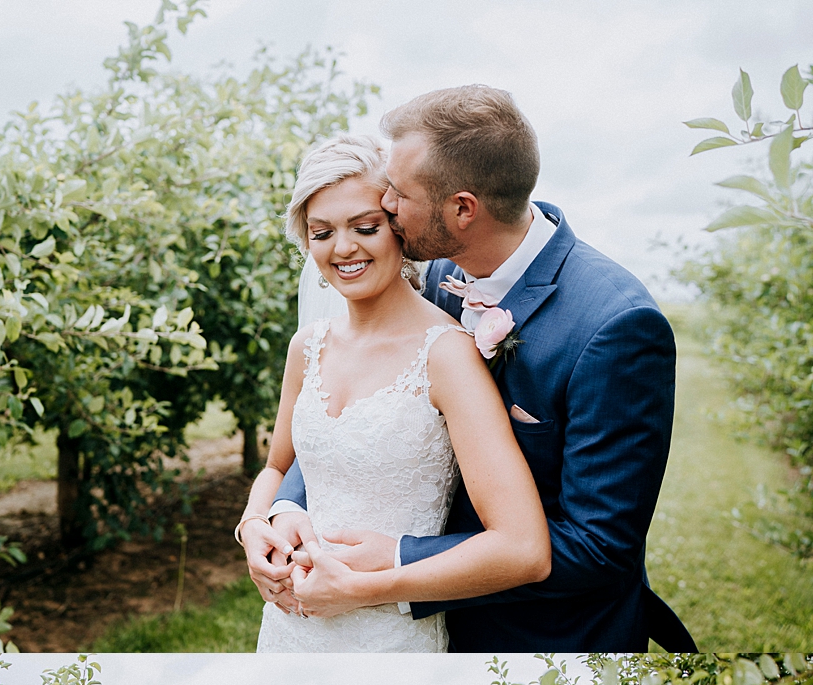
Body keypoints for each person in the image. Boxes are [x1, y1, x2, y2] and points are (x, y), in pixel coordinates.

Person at [242, 86, 696, 654]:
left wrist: (395, 566)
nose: (386, 207)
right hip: (379, 618)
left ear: (462, 209)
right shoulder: (432, 277)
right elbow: (353, 423)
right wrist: (278, 511)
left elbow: (599, 548)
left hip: (538, 638)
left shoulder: (615, 326)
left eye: (397, 196)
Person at [234, 133, 551, 652]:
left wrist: (363, 589)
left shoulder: (447, 355)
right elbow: (276, 469)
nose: (343, 249)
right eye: (322, 232)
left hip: (388, 635)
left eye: (365, 227)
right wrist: (254, 528)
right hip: (291, 631)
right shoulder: (306, 347)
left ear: (399, 228)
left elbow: (523, 549)